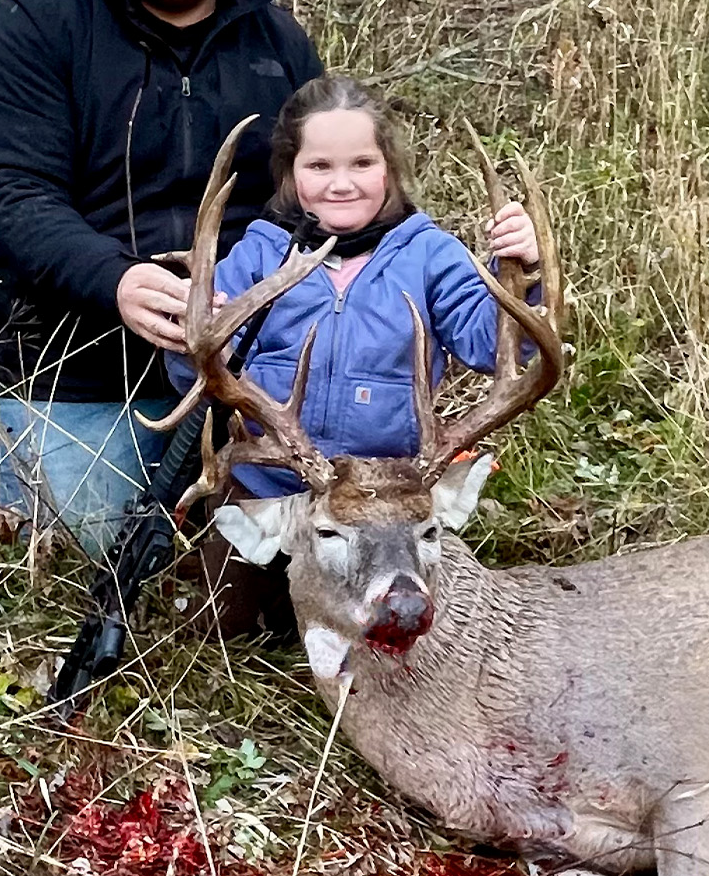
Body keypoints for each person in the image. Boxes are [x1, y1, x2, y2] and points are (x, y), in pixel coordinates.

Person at [0, 0, 323, 558]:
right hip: (82, 373)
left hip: (259, 374)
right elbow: (8, 190)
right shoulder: (37, 19)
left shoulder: (276, 42)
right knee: (120, 561)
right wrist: (115, 281)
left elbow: (333, 202)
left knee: (317, 555)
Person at [166, 76, 542, 633]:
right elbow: (196, 375)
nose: (341, 185)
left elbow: (490, 343)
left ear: (389, 167)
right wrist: (194, 334)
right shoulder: (261, 254)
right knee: (226, 628)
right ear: (290, 172)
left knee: (401, 627)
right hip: (274, 489)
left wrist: (522, 271)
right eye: (319, 166)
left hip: (387, 498)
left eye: (362, 164)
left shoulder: (429, 254)